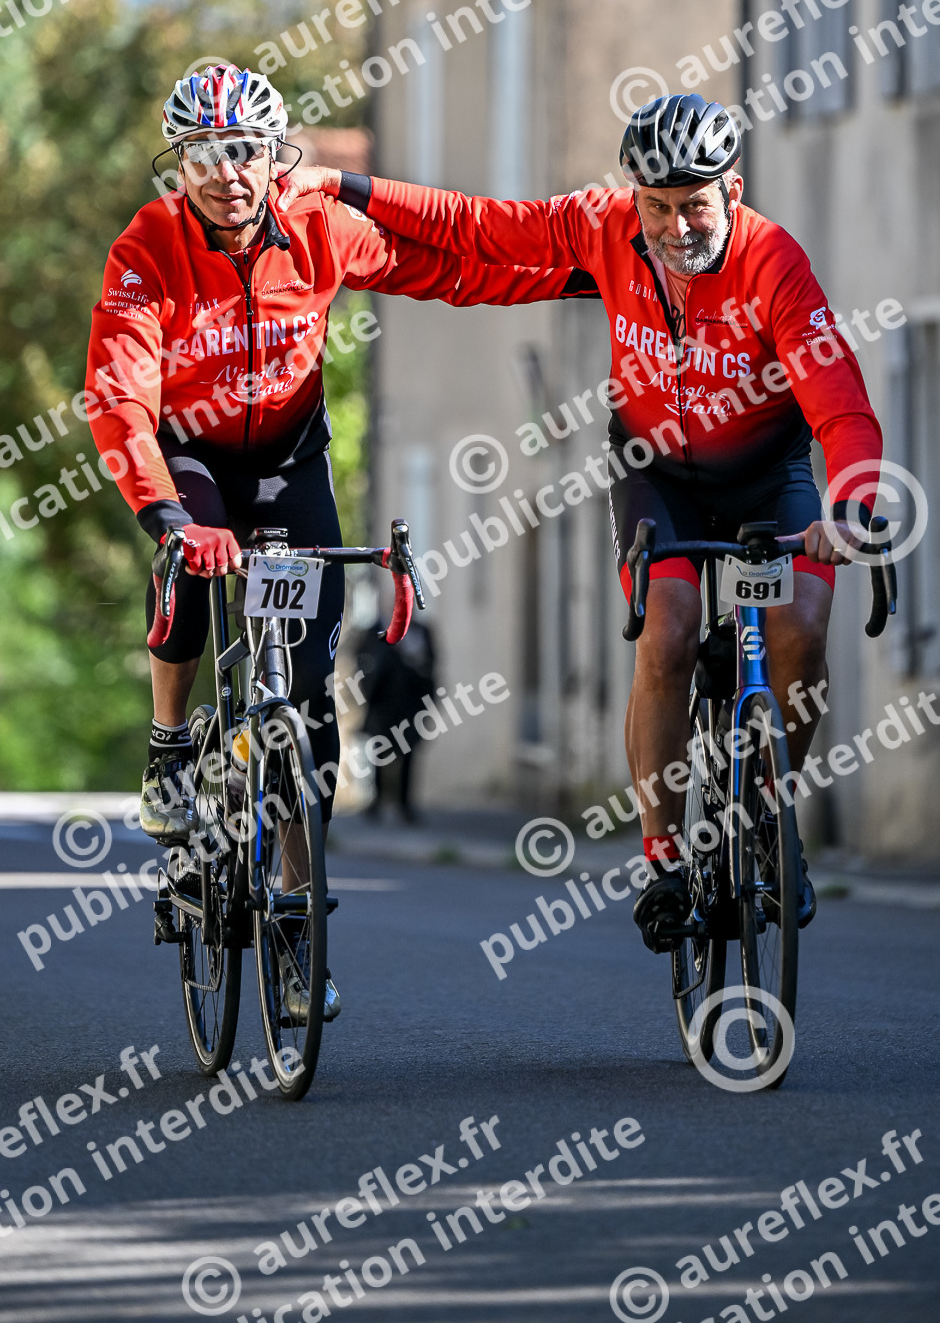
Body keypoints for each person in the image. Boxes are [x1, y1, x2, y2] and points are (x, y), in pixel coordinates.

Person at [279, 93, 884, 954]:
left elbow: (842, 404)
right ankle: (664, 858)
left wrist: (852, 505)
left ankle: (764, 814)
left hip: (769, 476)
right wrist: (343, 185)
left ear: (733, 190)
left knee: (802, 626)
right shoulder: (604, 226)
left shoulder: (773, 262)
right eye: (657, 206)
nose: (674, 227)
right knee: (667, 633)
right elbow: (478, 227)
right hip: (657, 474)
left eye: (694, 205)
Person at [84, 63, 584, 1019]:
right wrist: (166, 515)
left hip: (289, 461)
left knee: (307, 687)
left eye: (245, 152)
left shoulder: (319, 227)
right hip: (190, 457)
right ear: (177, 167)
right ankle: (169, 744)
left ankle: (297, 909)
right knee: (187, 570)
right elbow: (119, 394)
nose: (226, 174)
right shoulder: (147, 247)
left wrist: (579, 275)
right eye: (202, 156)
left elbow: (446, 269)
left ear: (276, 156)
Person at [358, 614, 437, 822]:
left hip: (410, 706)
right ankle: (377, 801)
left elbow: (431, 667)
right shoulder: (376, 629)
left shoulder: (421, 631)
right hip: (382, 704)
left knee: (408, 753)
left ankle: (405, 804)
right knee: (379, 751)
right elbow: (363, 660)